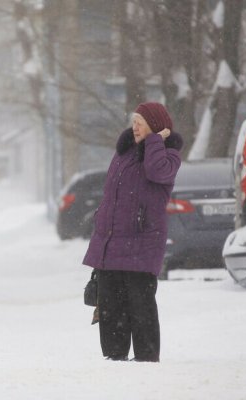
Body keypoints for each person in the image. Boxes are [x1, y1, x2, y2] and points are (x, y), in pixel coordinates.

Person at [82, 102, 183, 362]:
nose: (135, 126)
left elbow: (156, 171)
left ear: (156, 126)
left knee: (141, 307)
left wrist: (155, 142)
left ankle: (147, 360)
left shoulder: (168, 155)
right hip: (111, 242)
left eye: (141, 122)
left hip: (142, 244)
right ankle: (113, 360)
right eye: (133, 121)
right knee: (110, 309)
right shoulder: (124, 153)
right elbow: (110, 196)